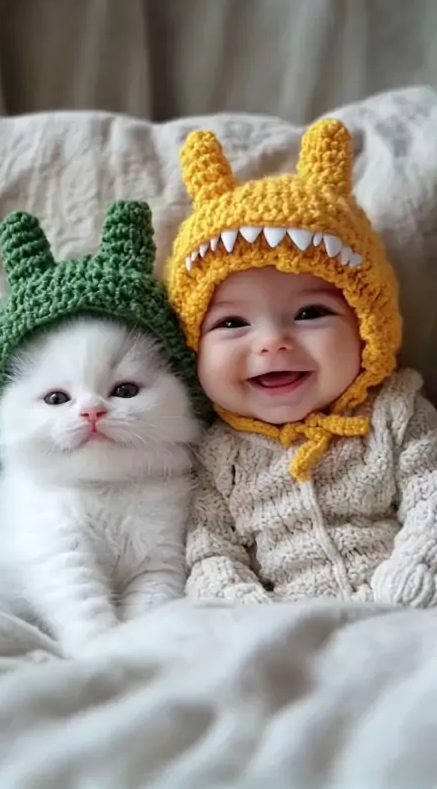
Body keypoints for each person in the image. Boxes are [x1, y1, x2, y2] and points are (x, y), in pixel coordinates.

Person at [166, 118, 437, 607]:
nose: (272, 343)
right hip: (284, 623)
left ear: (368, 328)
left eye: (310, 313)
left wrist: (414, 572)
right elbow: (208, 551)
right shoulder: (213, 453)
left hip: (403, 608)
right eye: (232, 323)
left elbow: (431, 501)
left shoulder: (396, 414)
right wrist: (240, 606)